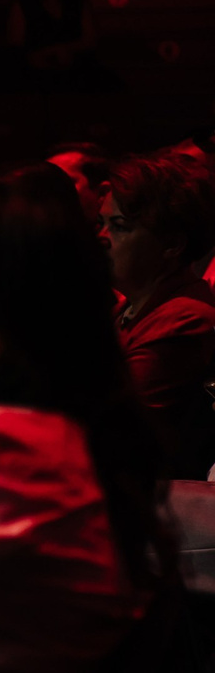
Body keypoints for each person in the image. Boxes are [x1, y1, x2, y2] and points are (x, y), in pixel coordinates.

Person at [101, 151, 215, 477]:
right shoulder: (129, 305)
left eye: (119, 227)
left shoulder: (183, 319)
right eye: (101, 223)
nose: (101, 238)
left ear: (172, 244)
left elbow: (118, 426)